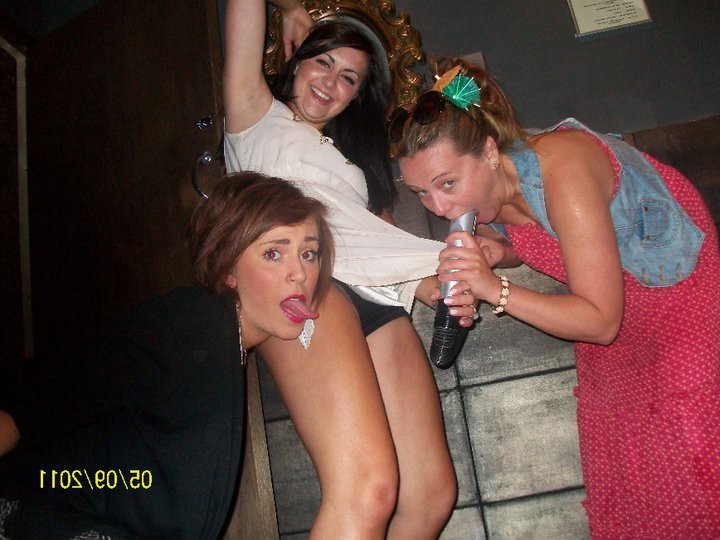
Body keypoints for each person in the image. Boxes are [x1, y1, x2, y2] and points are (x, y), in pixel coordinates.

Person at [392, 56, 720, 538]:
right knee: (633, 478)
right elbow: (546, 241)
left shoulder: (563, 168)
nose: (439, 207)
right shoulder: (490, 195)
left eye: (447, 183)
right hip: (613, 326)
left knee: (692, 465)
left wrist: (493, 289)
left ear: (488, 151)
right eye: (421, 192)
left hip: (674, 303)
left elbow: (601, 322)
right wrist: (498, 254)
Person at [222, 0, 472, 537]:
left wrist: (443, 284)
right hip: (305, 283)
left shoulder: (355, 164)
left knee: (431, 496)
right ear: (296, 60)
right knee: (368, 490)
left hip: (376, 297)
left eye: (349, 77)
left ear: (357, 95)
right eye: (323, 62)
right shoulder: (253, 112)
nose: (331, 81)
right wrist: (290, 7)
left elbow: (381, 244)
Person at [0, 172, 334, 538]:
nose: (300, 273)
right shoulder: (191, 323)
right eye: (273, 253)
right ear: (228, 268)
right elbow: (36, 402)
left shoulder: (223, 346)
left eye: (309, 254)